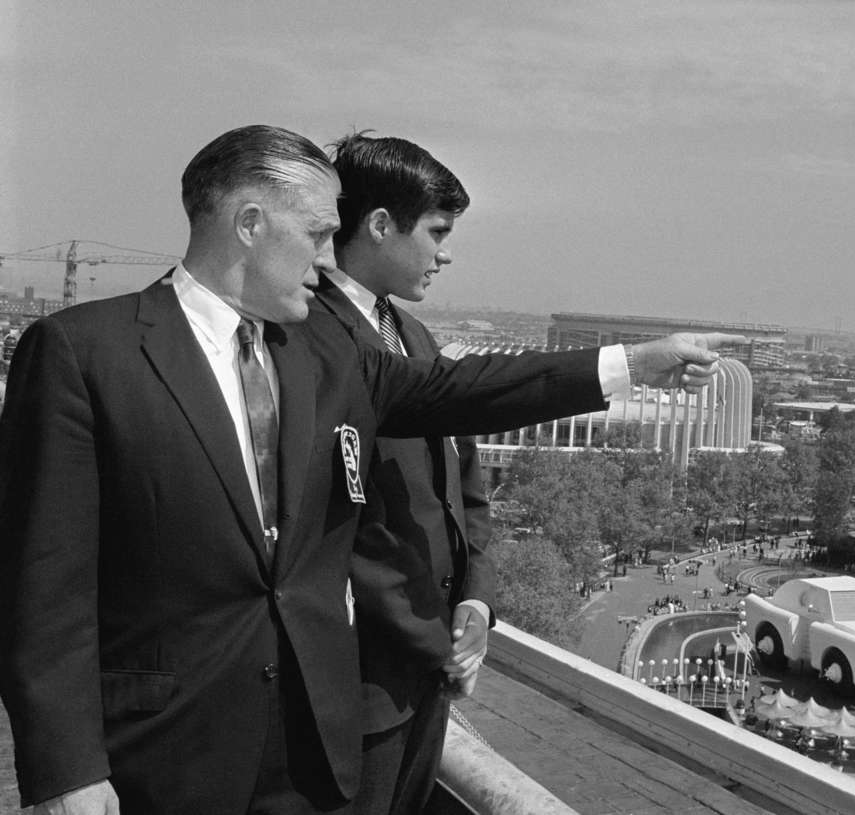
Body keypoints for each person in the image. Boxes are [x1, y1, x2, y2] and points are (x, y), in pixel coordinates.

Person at [0, 124, 740, 815]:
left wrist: (635, 363)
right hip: (159, 756)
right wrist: (66, 766)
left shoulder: (329, 355)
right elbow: (44, 585)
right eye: (319, 232)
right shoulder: (82, 354)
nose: (329, 257)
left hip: (312, 752)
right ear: (250, 224)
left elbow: (470, 391)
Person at [313, 132, 492, 814]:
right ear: (381, 225)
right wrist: (433, 643)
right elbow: (339, 530)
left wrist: (477, 600)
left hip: (429, 682)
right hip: (357, 687)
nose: (445, 254)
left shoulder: (416, 342)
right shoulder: (313, 344)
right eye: (437, 232)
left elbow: (466, 490)